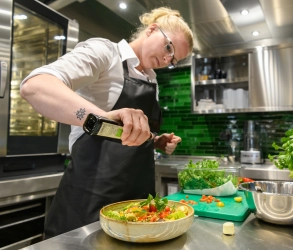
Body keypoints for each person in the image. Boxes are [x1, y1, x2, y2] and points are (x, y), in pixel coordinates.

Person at [20, 7, 194, 238]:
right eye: (168, 47)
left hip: (137, 200)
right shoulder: (104, 52)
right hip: (91, 195)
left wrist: (154, 140)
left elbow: (122, 133)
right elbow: (35, 86)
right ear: (152, 30)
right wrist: (98, 117)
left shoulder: (152, 80)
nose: (166, 59)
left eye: (173, 59)